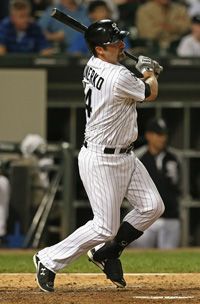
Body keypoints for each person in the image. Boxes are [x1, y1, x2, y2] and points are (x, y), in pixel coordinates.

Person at [33, 19, 165, 292]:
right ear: (99, 49)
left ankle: (108, 252)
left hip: (125, 156)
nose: (121, 45)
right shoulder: (117, 76)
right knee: (104, 226)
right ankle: (48, 258)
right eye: (113, 43)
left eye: (120, 40)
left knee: (152, 206)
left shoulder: (94, 65)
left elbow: (128, 80)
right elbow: (150, 92)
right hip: (101, 159)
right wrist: (149, 71)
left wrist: (139, 72)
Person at [131, 118, 181, 248]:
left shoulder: (174, 157)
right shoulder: (137, 157)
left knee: (171, 261)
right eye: (158, 134)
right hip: (146, 218)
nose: (162, 138)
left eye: (164, 134)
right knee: (141, 259)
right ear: (148, 135)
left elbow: (182, 186)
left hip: (170, 216)